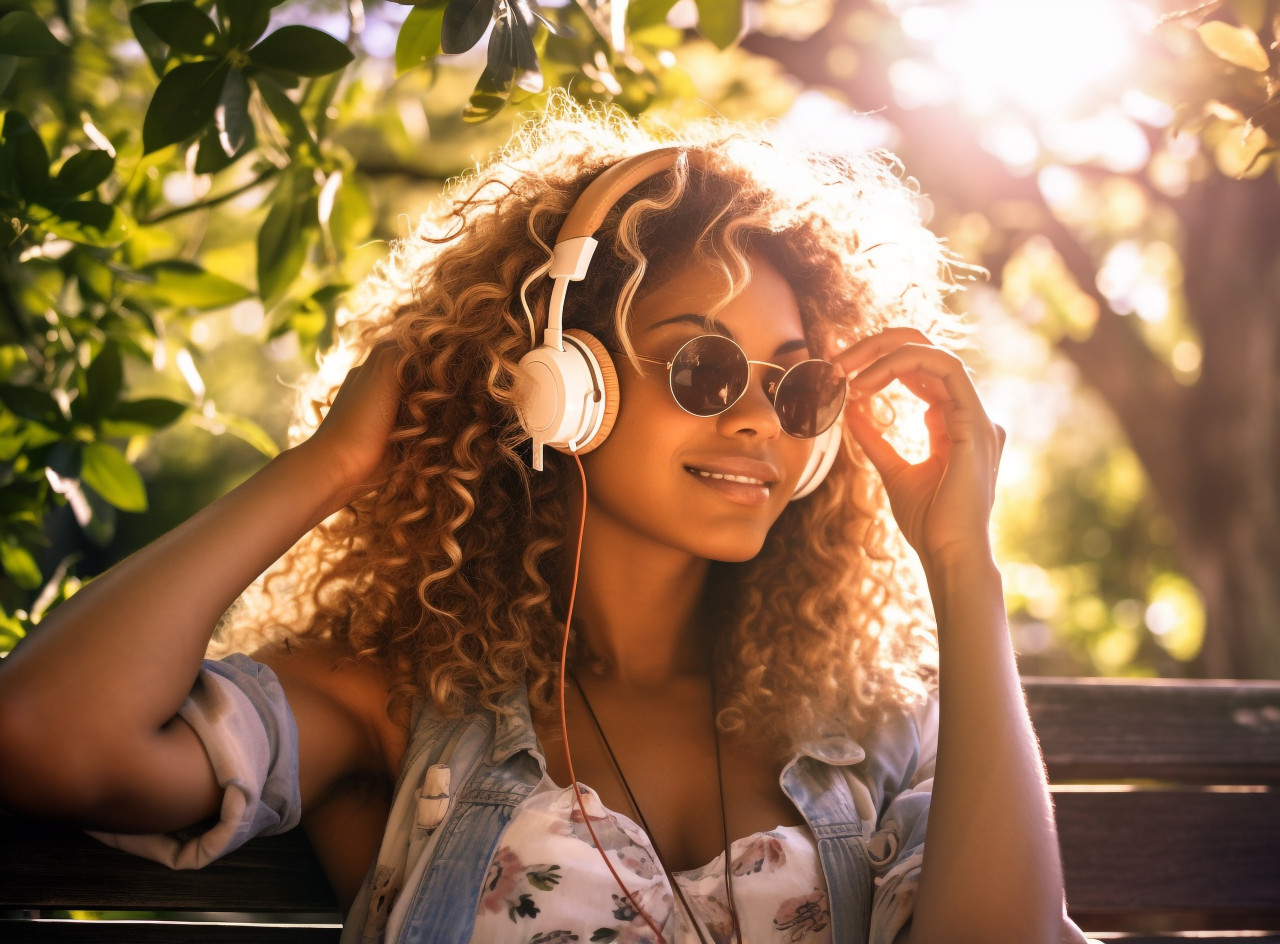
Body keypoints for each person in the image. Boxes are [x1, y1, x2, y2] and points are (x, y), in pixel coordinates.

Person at [0, 98, 1088, 944]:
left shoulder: (878, 725)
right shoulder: (391, 701)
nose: (761, 418)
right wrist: (329, 463)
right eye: (705, 367)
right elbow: (45, 735)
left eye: (799, 387)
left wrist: (960, 567)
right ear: (560, 383)